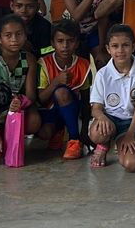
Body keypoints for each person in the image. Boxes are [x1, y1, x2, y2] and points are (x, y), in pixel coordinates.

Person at [86, 23, 135, 171]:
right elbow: (96, 108)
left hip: (131, 123)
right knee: (97, 133)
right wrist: (102, 118)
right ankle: (103, 145)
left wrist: (130, 134)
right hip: (109, 121)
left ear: (134, 47)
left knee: (132, 165)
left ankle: (121, 142)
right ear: (108, 49)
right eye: (115, 46)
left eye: (125, 45)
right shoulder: (102, 74)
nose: (120, 50)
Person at [0, 14, 40, 166]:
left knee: (35, 121)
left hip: (14, 111)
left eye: (19, 34)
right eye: (8, 35)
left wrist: (20, 102)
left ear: (25, 36)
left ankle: (8, 138)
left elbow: (31, 95)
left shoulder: (29, 59)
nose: (14, 40)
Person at [38, 19, 95, 161]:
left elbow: (86, 101)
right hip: (50, 111)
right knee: (45, 134)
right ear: (52, 43)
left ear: (76, 43)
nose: (65, 46)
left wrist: (83, 133)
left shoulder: (83, 65)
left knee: (61, 92)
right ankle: (59, 130)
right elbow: (40, 99)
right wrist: (56, 81)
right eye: (60, 41)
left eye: (70, 41)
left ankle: (74, 140)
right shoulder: (44, 63)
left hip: (73, 109)